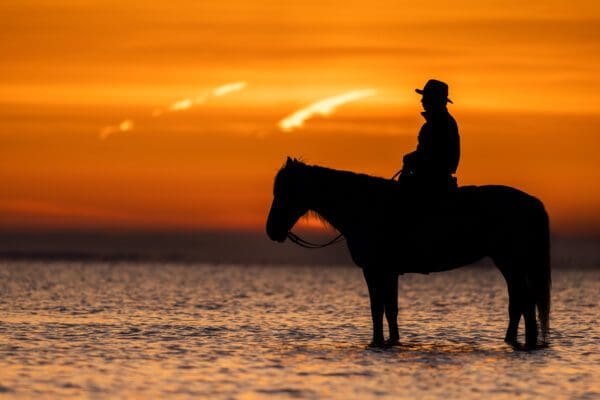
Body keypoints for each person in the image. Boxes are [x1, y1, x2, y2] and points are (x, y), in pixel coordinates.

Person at [399, 79, 460, 193]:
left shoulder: (439, 123)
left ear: (435, 100)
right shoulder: (440, 121)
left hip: (433, 181)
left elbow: (433, 154)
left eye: (426, 97)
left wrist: (410, 159)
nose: (422, 100)